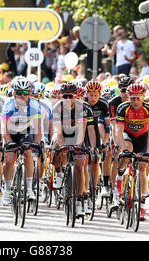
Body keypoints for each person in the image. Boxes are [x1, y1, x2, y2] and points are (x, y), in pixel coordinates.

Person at [114, 83, 149, 221]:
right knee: (128, 152)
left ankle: (142, 205)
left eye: (138, 98)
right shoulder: (123, 108)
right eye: (132, 98)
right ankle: (120, 178)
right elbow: (118, 130)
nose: (135, 101)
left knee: (143, 167)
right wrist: (123, 149)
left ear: (143, 97)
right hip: (128, 135)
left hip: (142, 137)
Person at [52, 82, 94, 216]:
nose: (67, 99)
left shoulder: (82, 108)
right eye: (65, 96)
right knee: (56, 146)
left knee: (80, 166)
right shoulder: (57, 108)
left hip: (79, 136)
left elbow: (82, 132)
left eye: (70, 96)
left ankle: (79, 200)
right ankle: (58, 174)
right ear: (61, 97)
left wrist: (77, 145)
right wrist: (64, 145)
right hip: (63, 134)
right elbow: (58, 132)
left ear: (76, 96)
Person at [2, 77, 42, 205]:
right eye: (19, 93)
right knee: (9, 160)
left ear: (30, 94)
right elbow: (3, 127)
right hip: (10, 132)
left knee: (28, 153)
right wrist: (8, 142)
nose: (22, 96)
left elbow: (38, 128)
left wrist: (37, 142)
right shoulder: (8, 105)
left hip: (26, 131)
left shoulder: (34, 104)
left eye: (26, 93)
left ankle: (29, 188)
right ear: (14, 93)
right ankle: (7, 190)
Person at [83, 80, 110, 214]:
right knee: (85, 159)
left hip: (95, 131)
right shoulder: (82, 102)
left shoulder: (104, 104)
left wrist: (104, 142)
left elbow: (108, 127)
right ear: (86, 94)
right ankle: (85, 189)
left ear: (100, 95)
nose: (93, 98)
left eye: (95, 95)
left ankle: (92, 190)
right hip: (83, 131)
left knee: (95, 161)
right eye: (90, 95)